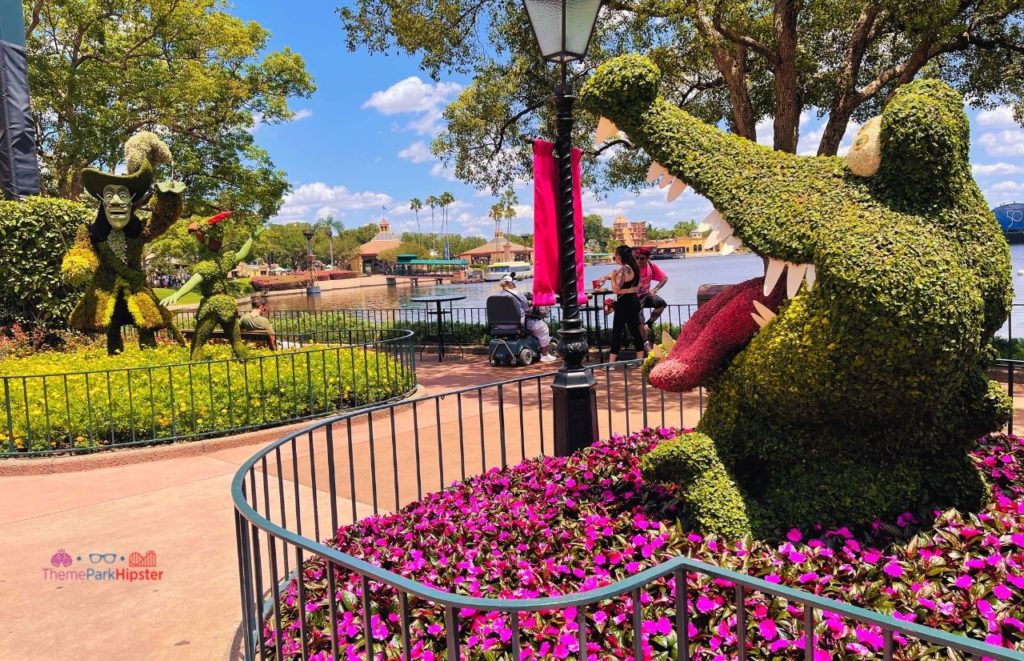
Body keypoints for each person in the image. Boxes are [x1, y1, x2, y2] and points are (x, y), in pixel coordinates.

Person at [595, 245, 646, 363]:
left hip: (625, 303)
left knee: (617, 332)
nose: (614, 257)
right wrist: (605, 277)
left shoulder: (623, 269)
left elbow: (616, 289)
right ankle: (639, 361)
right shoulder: (634, 267)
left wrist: (612, 277)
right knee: (635, 331)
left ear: (620, 256)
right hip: (633, 301)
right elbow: (630, 283)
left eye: (615, 255)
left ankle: (611, 363)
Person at [499, 274, 557, 362]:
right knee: (543, 328)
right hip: (517, 324)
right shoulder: (517, 294)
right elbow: (527, 308)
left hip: (499, 326)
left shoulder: (495, 296)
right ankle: (545, 354)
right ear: (510, 284)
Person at [633, 246, 669, 346]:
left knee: (662, 304)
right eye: (637, 257)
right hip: (633, 297)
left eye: (642, 258)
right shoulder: (631, 268)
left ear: (648, 258)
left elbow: (664, 278)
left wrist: (655, 289)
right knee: (639, 320)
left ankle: (649, 324)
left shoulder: (651, 267)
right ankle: (645, 344)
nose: (638, 260)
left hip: (645, 295)